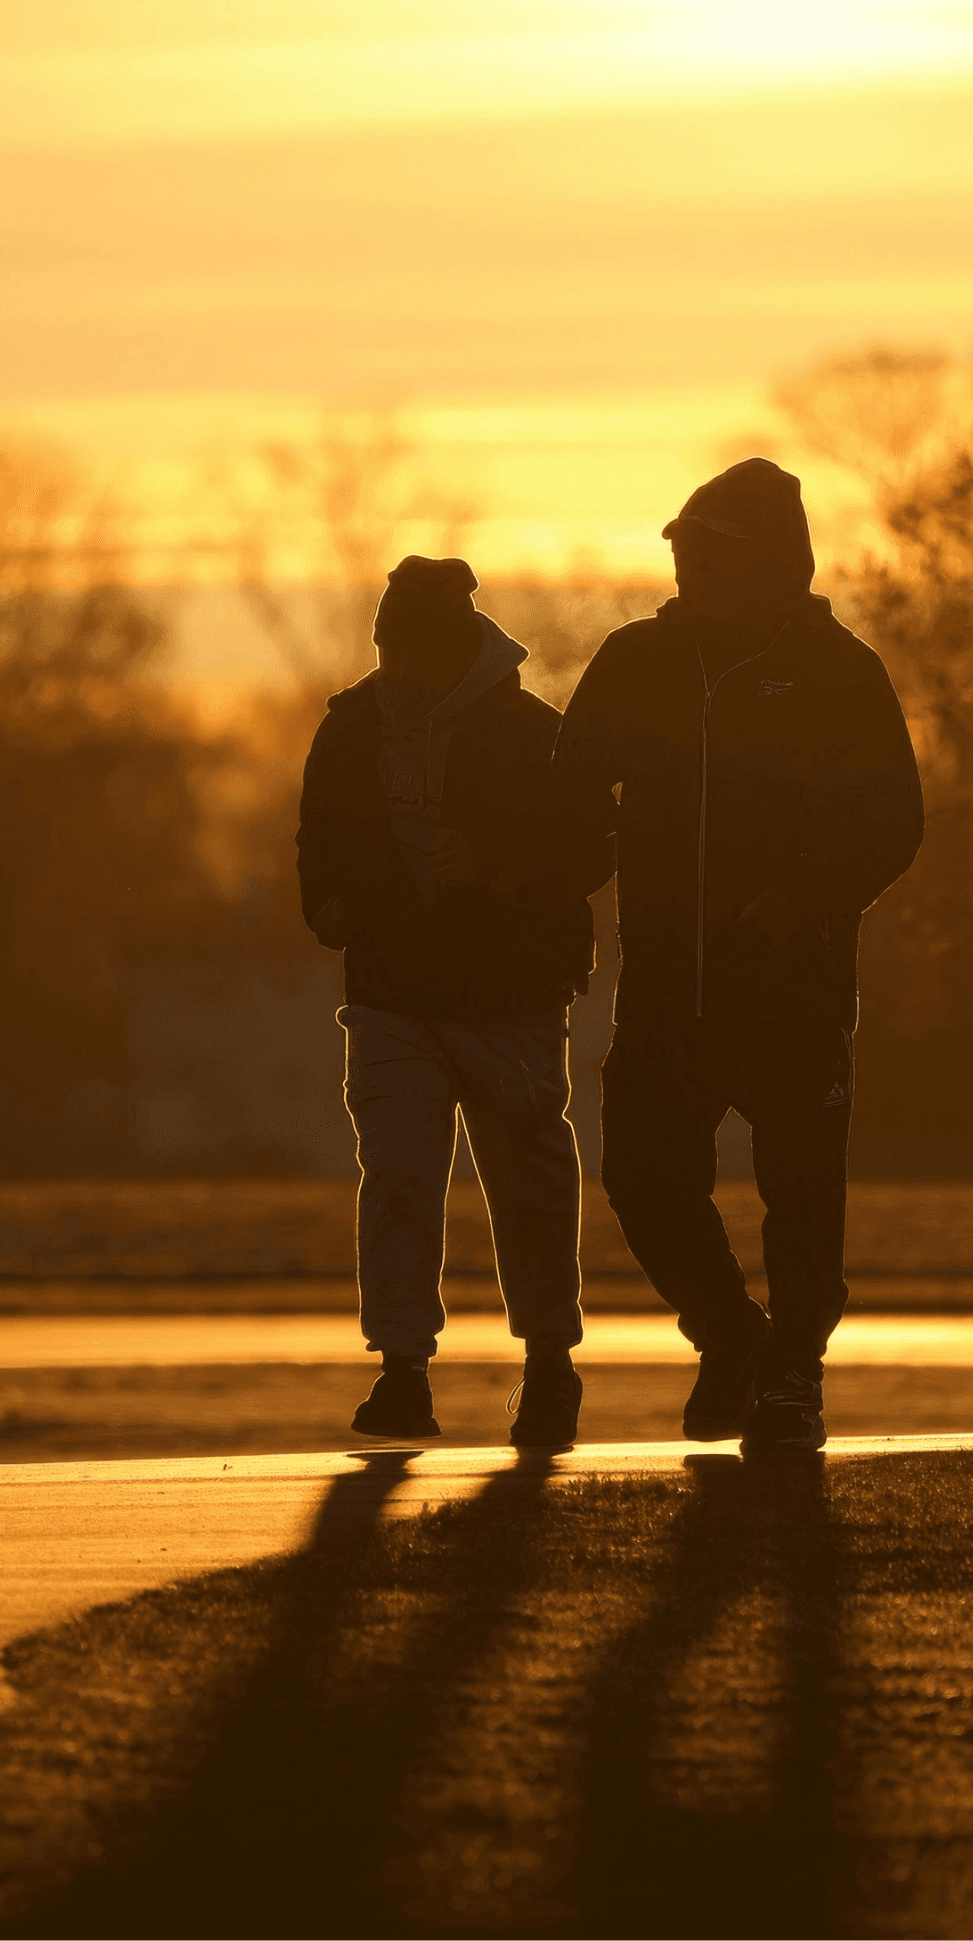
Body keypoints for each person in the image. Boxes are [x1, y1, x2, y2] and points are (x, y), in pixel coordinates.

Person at [554, 458, 924, 1451]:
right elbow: (571, 796)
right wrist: (555, 879)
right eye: (681, 554)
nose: (689, 573)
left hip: (794, 992)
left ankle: (793, 1371)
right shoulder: (635, 662)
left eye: (712, 557)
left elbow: (894, 820)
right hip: (668, 988)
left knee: (803, 1197)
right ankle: (731, 1334)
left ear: (775, 567)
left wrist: (808, 896)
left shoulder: (844, 673)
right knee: (639, 1174)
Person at [297, 555, 596, 1448]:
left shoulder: (530, 732)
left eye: (404, 650)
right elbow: (318, 839)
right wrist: (335, 911)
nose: (392, 668)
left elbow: (587, 852)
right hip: (393, 993)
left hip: (508, 995)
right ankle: (402, 1373)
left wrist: (494, 869)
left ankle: (548, 1366)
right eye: (384, 647)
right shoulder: (351, 727)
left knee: (527, 1180)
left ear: (449, 648)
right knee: (397, 1174)